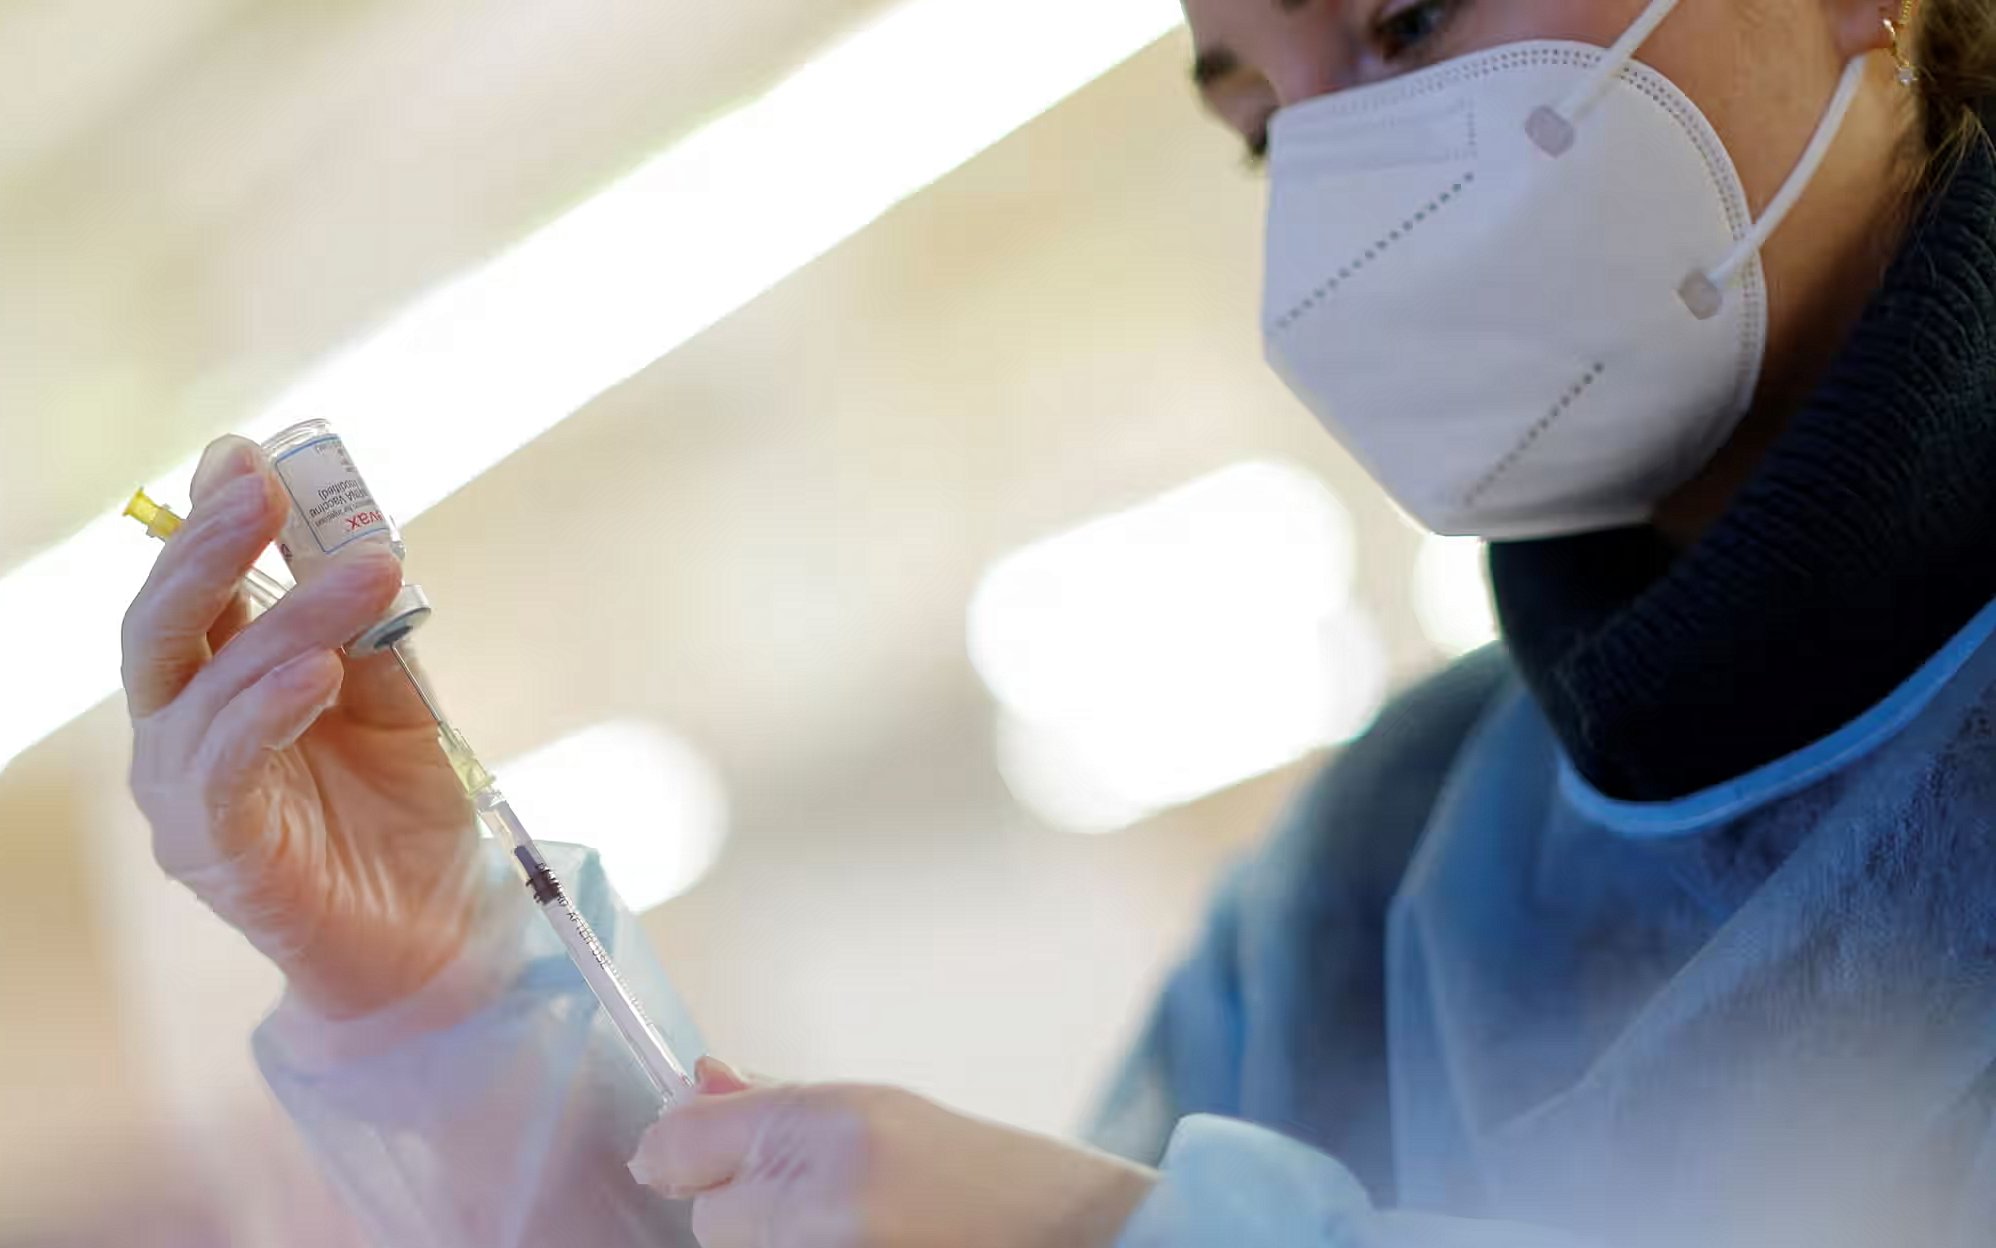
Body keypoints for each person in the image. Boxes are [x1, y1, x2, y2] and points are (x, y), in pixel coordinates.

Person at [118, 0, 1996, 1239]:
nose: (1344, 203)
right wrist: (447, 991)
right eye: (1262, 125)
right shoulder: (1367, 893)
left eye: (1411, 17)